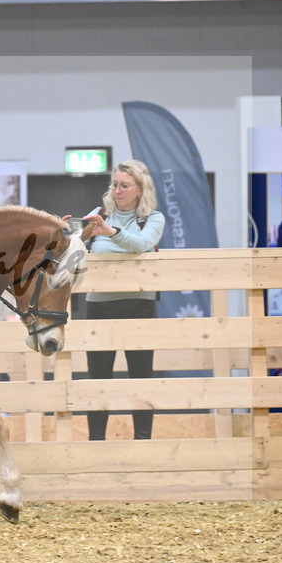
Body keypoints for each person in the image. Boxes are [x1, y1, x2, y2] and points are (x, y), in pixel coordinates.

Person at [80, 160, 165, 440]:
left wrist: (110, 232)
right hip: (98, 306)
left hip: (140, 307)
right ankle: (96, 442)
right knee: (98, 379)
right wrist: (69, 233)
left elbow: (142, 245)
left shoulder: (153, 218)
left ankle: (142, 442)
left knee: (141, 378)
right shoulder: (98, 214)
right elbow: (77, 246)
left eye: (124, 185)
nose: (117, 190)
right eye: (114, 184)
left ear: (140, 190)